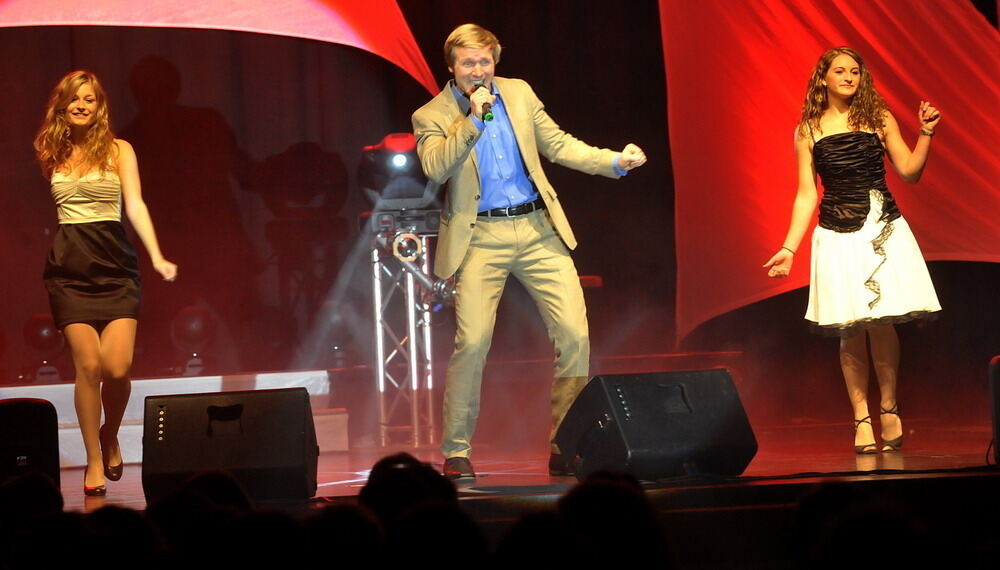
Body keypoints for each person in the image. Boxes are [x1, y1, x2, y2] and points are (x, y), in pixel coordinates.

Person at [412, 24, 647, 478]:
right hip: (479, 237)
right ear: (451, 66)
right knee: (473, 342)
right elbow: (437, 168)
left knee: (575, 335)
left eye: (485, 61)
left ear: (495, 61)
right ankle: (457, 451)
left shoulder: (518, 93)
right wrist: (473, 119)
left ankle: (567, 442)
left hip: (538, 227)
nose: (478, 71)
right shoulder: (433, 114)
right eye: (468, 63)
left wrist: (613, 161)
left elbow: (557, 144)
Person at [763, 48, 941, 454]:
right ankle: (861, 416)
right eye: (839, 71)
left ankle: (890, 406)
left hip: (882, 228)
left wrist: (926, 132)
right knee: (850, 327)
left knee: (882, 323)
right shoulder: (807, 130)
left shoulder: (878, 117)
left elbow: (910, 173)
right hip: (836, 233)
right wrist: (789, 247)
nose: (848, 77)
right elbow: (806, 194)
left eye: (854, 71)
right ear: (823, 78)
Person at [34, 70, 177, 495]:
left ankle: (108, 433)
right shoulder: (51, 150)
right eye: (74, 99)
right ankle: (93, 462)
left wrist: (156, 255)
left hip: (115, 268)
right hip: (70, 271)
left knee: (117, 368)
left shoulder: (119, 150)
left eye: (90, 100)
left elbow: (134, 204)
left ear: (100, 107)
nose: (82, 105)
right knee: (88, 366)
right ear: (62, 104)